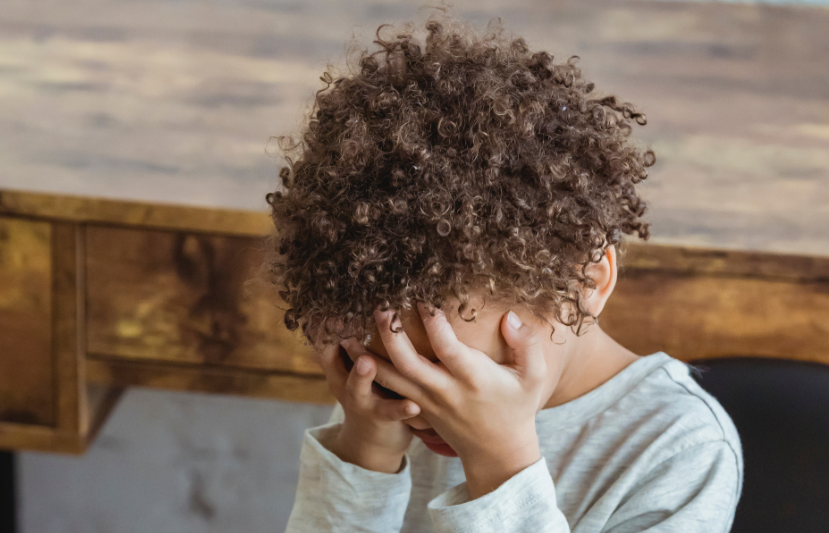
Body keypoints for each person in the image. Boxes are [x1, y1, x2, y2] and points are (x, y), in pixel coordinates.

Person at [262, 8, 742, 533]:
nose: (425, 412)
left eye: (462, 376)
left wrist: (501, 464)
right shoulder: (383, 407)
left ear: (586, 284)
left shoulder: (678, 450)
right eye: (399, 381)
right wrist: (365, 452)